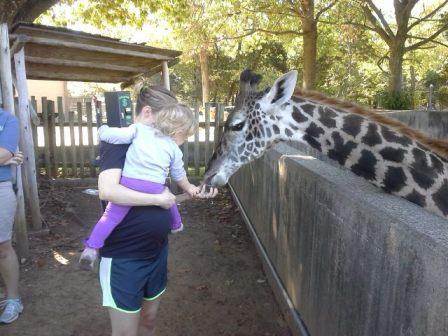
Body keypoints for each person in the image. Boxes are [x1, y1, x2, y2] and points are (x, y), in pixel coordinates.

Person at [90, 85, 217, 336]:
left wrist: (193, 191)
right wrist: (158, 200)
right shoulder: (119, 144)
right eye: (167, 120)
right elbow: (108, 191)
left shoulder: (161, 145)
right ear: (148, 113)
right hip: (124, 255)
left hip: (157, 251)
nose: (172, 128)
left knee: (149, 320)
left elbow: (170, 190)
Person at [80, 102, 200, 268]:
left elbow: (116, 136)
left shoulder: (139, 129)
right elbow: (179, 175)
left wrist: (102, 131)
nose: (184, 140)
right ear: (177, 132)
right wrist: (189, 188)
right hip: (154, 187)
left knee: (110, 217)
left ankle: (91, 248)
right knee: (168, 197)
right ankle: (176, 224)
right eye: (185, 137)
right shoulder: (174, 149)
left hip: (128, 183)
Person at [0, 107, 24, 324]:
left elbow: (5, 153)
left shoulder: (7, 119)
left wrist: (5, 158)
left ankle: (13, 299)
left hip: (1, 188)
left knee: (2, 246)